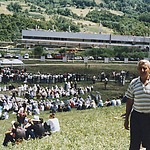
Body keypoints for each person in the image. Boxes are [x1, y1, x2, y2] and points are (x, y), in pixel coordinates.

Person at [124, 59, 150, 150]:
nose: (142, 71)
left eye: (144, 68)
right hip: (136, 117)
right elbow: (129, 101)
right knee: (134, 144)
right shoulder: (133, 83)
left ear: (149, 69)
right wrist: (126, 118)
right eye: (140, 68)